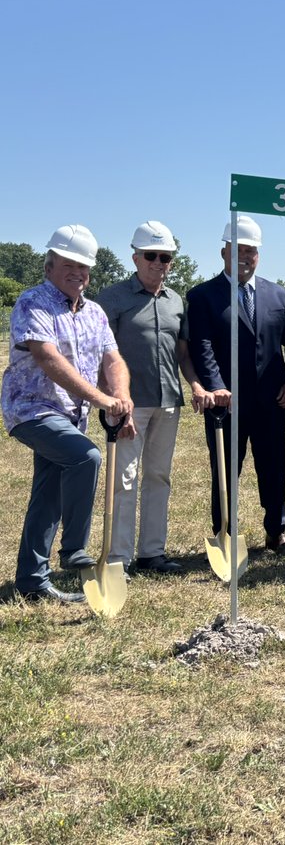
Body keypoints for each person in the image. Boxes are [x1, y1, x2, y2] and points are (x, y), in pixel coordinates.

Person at [2, 225, 134, 603]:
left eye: (83, 266)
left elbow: (112, 360)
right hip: (31, 409)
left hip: (70, 415)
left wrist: (121, 397)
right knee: (85, 457)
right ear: (49, 267)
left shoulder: (94, 313)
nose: (78, 272)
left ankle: (31, 581)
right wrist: (101, 399)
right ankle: (75, 548)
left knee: (47, 493)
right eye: (68, 265)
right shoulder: (33, 302)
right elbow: (48, 358)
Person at [96, 221, 213, 574]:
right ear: (135, 257)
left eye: (165, 257)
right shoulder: (112, 299)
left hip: (168, 402)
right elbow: (101, 355)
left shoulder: (176, 301)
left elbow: (183, 355)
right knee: (124, 480)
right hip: (127, 405)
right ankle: (118, 558)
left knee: (159, 476)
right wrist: (113, 401)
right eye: (151, 256)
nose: (158, 263)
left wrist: (195, 385)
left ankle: (152, 553)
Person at [187, 216, 285, 553]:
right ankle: (225, 532)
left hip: (272, 400)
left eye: (250, 250)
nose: (244, 256)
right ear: (223, 252)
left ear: (258, 254)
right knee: (226, 469)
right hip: (225, 403)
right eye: (237, 249)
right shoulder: (202, 296)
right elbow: (202, 346)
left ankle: (277, 532)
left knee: (274, 466)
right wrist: (215, 386)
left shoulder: (278, 294)